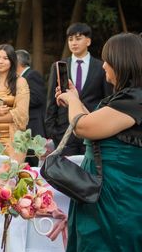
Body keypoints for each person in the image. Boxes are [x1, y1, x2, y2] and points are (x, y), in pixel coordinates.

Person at [56, 32, 142, 252]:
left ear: (121, 63)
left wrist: (74, 100)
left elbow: (85, 127)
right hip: (107, 195)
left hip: (121, 199)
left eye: (107, 58)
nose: (103, 64)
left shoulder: (134, 101)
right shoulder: (123, 98)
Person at [45, 23, 111, 155]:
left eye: (78, 38)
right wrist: (53, 130)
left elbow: (107, 98)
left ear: (88, 41)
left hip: (92, 128)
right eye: (70, 39)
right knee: (65, 172)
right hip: (64, 131)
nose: (73, 42)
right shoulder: (59, 66)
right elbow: (51, 101)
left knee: (88, 171)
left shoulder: (101, 67)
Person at [16, 49, 47, 167]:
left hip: (34, 126)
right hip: (26, 126)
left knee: (32, 162)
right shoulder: (21, 77)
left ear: (17, 62)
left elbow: (38, 98)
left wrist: (17, 100)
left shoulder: (32, 75)